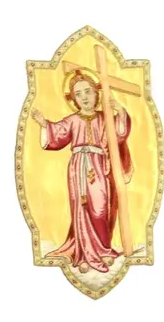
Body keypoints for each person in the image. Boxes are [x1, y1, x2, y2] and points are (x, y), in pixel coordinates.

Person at [31, 69, 134, 273]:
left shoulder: (105, 118)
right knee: (81, 208)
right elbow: (56, 135)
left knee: (100, 207)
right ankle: (83, 255)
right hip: (78, 168)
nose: (84, 97)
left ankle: (103, 249)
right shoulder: (72, 120)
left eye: (88, 91)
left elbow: (119, 134)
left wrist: (120, 112)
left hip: (98, 166)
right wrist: (44, 124)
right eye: (78, 94)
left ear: (96, 93)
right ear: (74, 99)